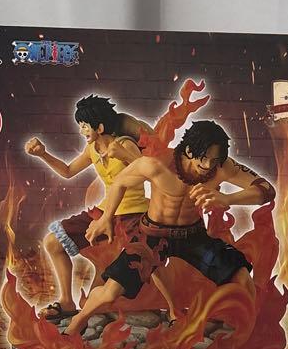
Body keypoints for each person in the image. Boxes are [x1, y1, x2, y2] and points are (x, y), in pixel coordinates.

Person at [65, 119, 274, 337]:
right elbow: (120, 182)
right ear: (189, 150)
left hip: (193, 235)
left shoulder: (221, 166)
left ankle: (252, 334)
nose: (208, 166)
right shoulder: (157, 164)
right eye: (204, 159)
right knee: (111, 292)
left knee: (241, 276)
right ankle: (77, 322)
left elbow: (266, 189)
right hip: (153, 234)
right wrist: (106, 218)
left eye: (214, 160)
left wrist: (228, 198)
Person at [24, 95, 153, 322]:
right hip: (104, 211)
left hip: (133, 214)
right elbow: (68, 171)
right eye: (80, 126)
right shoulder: (92, 148)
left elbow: (149, 171)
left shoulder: (125, 144)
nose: (81, 130)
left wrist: (125, 155)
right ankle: (66, 302)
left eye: (84, 126)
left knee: (112, 282)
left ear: (100, 127)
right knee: (53, 242)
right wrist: (43, 154)